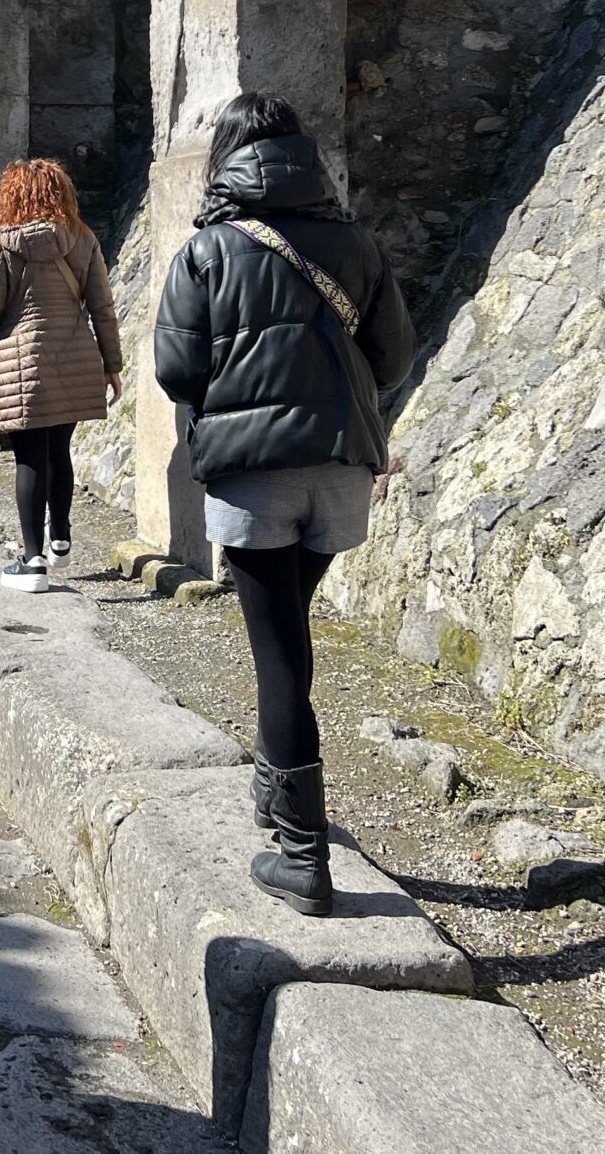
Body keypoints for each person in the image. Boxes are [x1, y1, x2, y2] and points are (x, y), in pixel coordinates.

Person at [153, 93, 415, 919]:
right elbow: (394, 358)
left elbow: (176, 372)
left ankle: (302, 855)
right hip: (341, 463)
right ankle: (276, 795)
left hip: (253, 473)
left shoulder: (208, 251)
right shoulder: (358, 243)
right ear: (305, 158)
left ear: (227, 155)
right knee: (291, 637)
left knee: (277, 655)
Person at [0, 160, 122, 594]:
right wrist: (112, 364)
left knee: (29, 458)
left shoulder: (4, 243)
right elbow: (102, 308)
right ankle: (60, 535)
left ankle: (33, 562)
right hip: (74, 355)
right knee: (58, 450)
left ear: (12, 196)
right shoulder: (83, 239)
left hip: (22, 361)